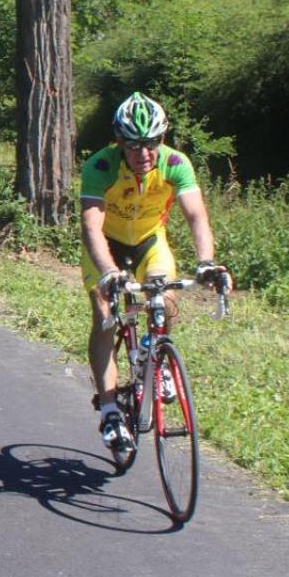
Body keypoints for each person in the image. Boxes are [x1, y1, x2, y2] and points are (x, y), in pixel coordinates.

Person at [81, 92, 233, 454]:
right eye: (134, 145)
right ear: (119, 142)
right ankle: (108, 408)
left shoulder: (176, 163)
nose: (144, 153)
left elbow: (196, 215)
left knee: (164, 294)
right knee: (104, 314)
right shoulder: (100, 166)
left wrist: (206, 262)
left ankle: (155, 351)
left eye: (152, 143)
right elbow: (91, 226)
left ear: (162, 139)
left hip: (150, 241)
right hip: (108, 245)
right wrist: (108, 271)